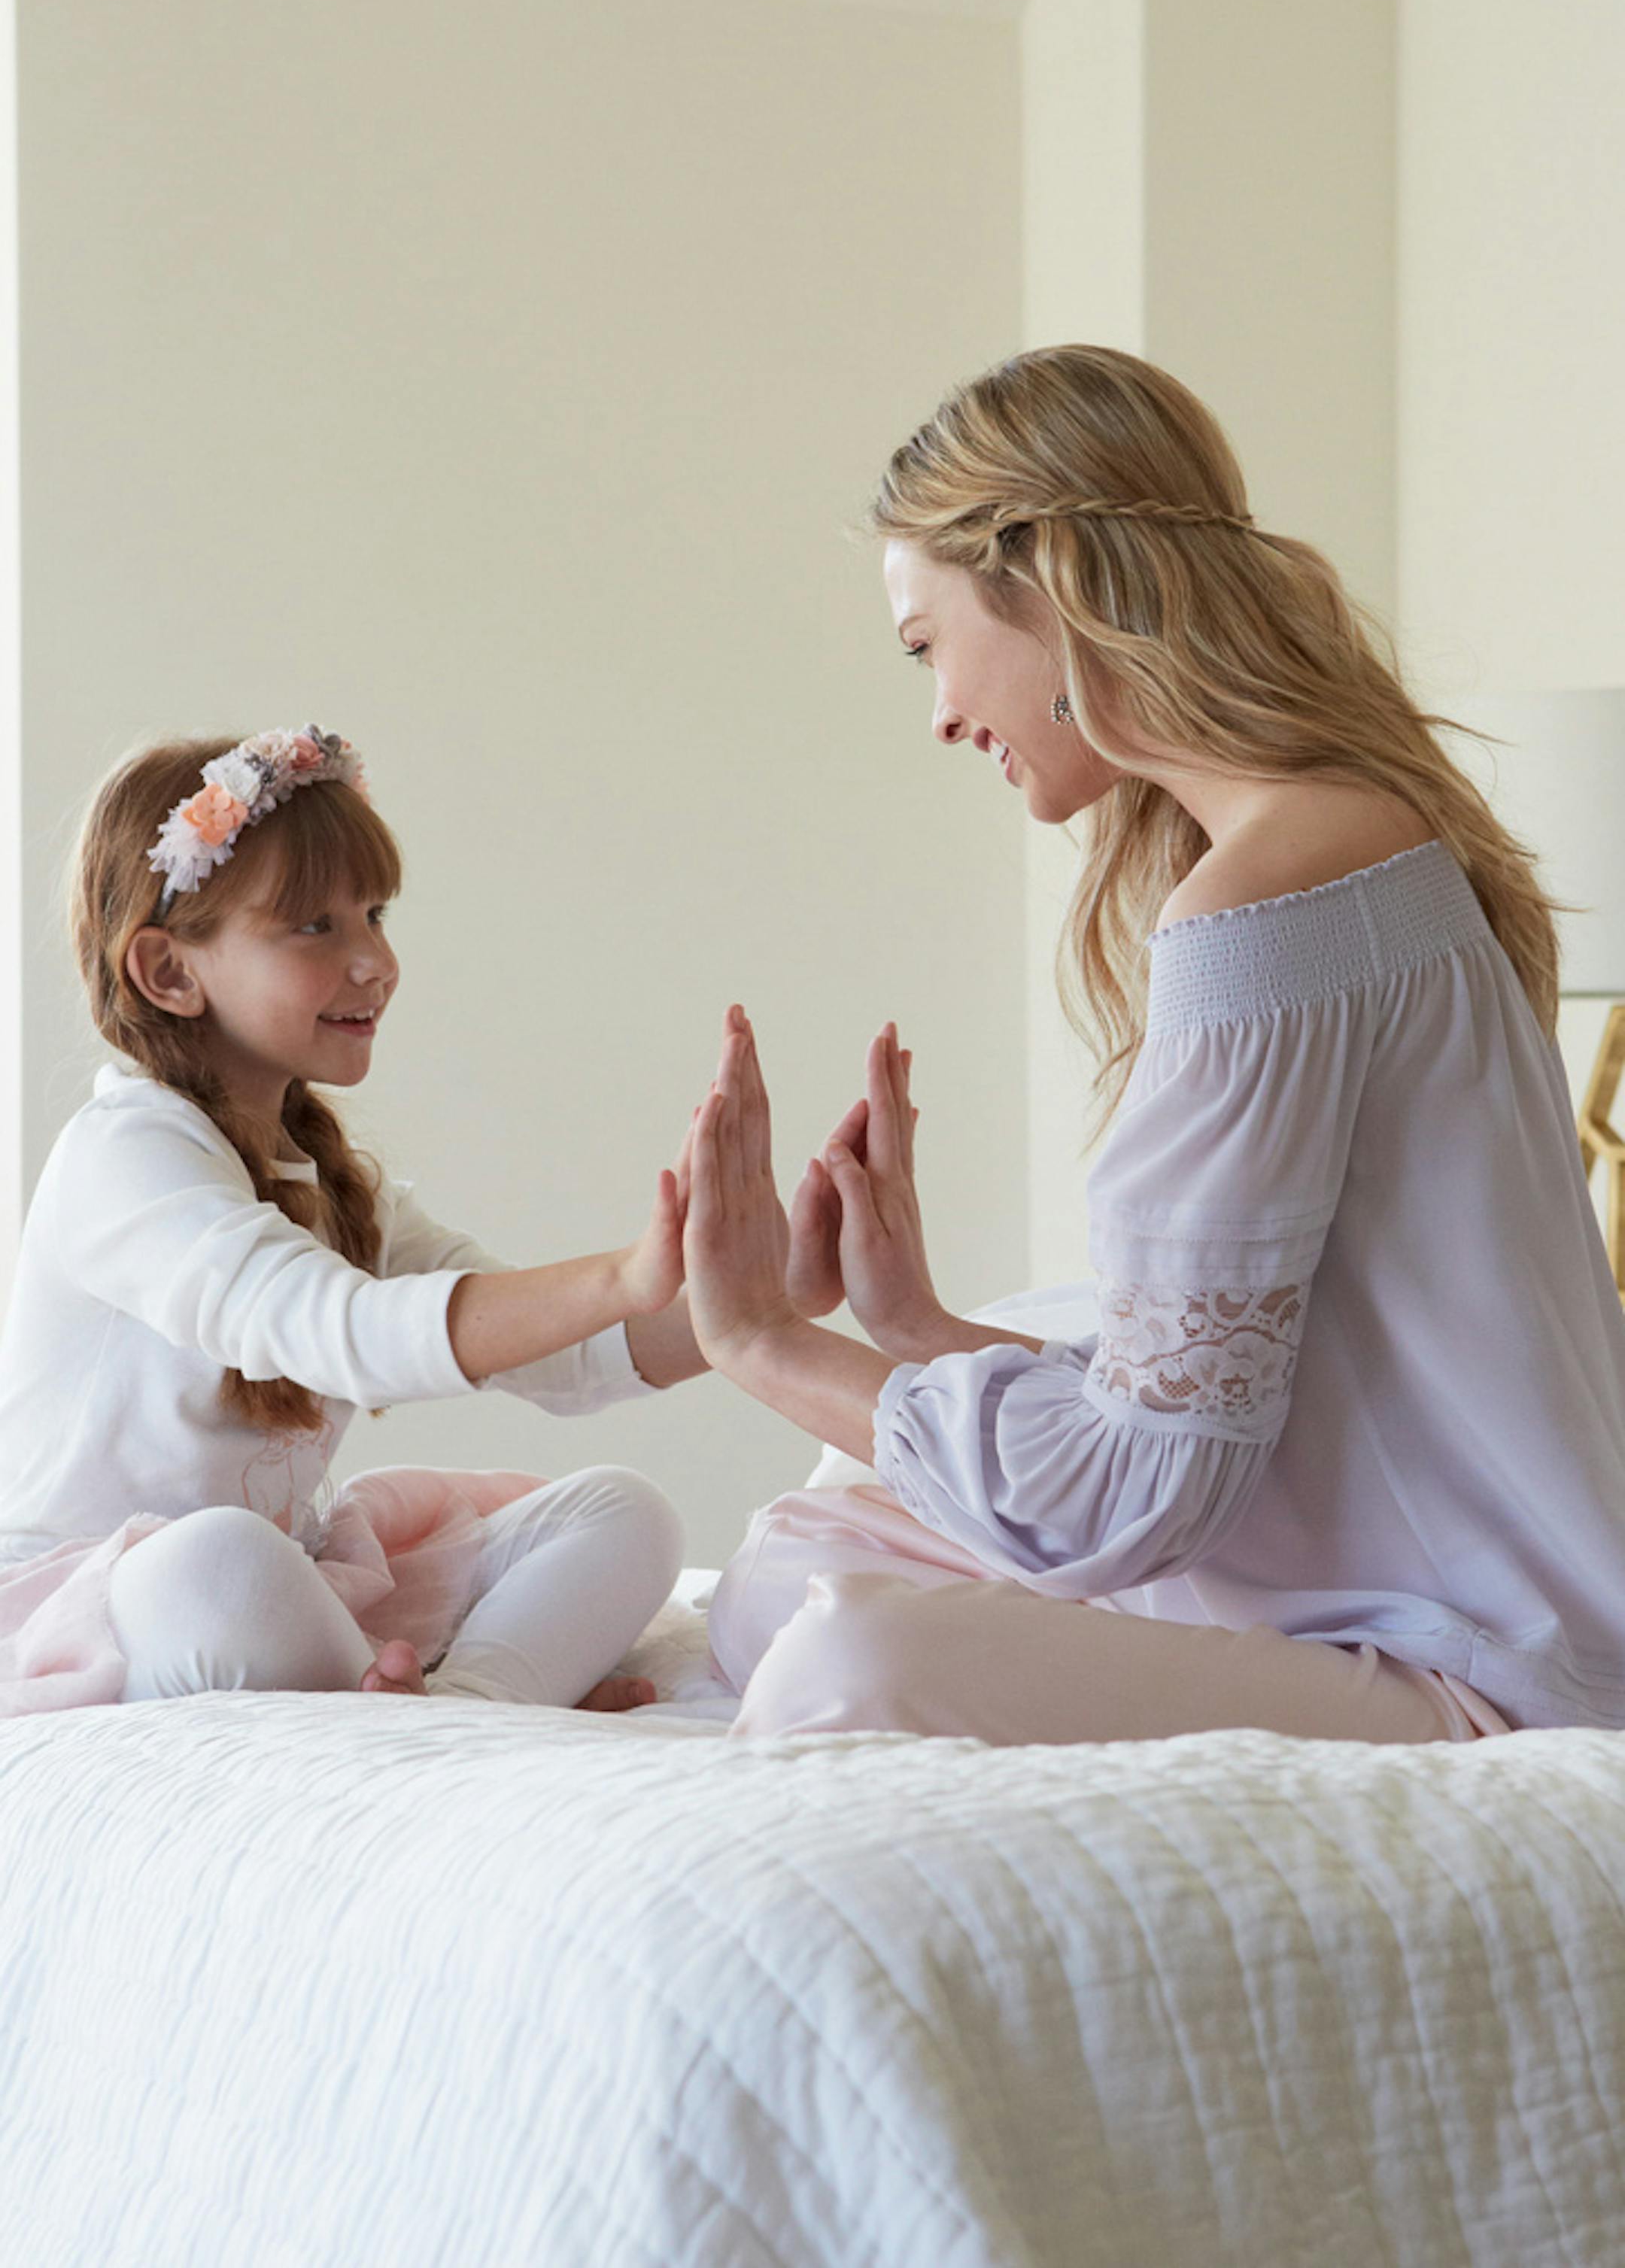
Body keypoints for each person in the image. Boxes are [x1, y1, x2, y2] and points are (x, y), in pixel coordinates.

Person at [686, 342, 1625, 1748]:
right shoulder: (1353, 837)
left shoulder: (1270, 900)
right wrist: (918, 1329)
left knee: (844, 1660)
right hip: (1365, 1587)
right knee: (793, 1563)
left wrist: (759, 1339)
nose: (941, 714)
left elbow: (1142, 1492)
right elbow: (1254, 1409)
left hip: (1471, 1657)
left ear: (1048, 584)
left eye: (929, 646)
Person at [0, 722, 696, 1717]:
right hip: (100, 1606)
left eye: (373, 915)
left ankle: (465, 1711)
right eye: (315, 927)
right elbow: (344, 1332)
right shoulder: (123, 1156)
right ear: (170, 972)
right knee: (220, 1558)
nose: (375, 961)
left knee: (625, 1512)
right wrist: (624, 1275)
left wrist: (763, 1294)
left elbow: (560, 1355)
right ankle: (398, 1701)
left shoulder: (327, 1179)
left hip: (284, 1587)